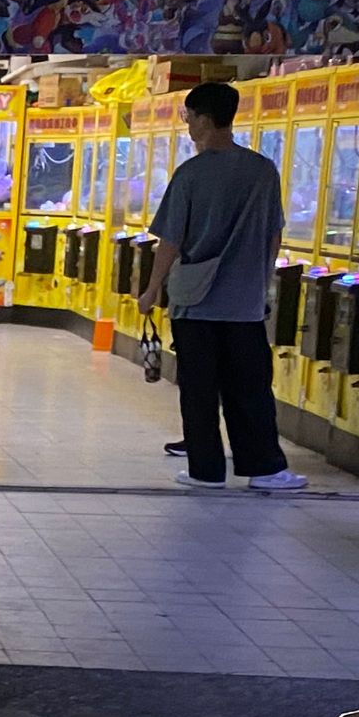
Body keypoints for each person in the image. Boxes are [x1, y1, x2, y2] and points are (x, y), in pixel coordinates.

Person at [138, 81, 304, 490]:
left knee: (198, 390)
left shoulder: (191, 174)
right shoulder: (262, 170)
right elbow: (274, 234)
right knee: (250, 389)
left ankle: (206, 471)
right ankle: (264, 470)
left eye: (189, 116)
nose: (188, 124)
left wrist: (152, 288)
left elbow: (171, 240)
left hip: (194, 303)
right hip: (244, 304)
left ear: (205, 119)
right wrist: (259, 279)